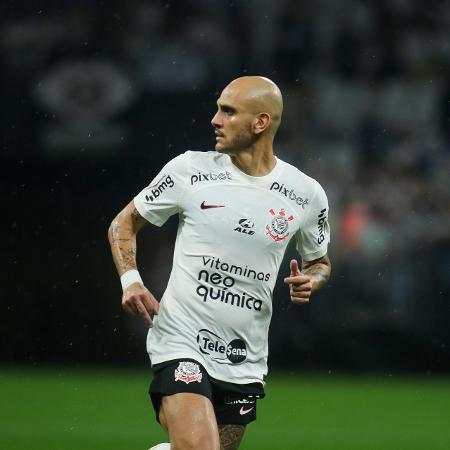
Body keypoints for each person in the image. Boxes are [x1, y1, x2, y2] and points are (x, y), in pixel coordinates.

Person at [108, 76, 331, 450]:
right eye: (217, 109)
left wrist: (313, 280)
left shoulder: (306, 193)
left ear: (261, 122)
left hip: (244, 355)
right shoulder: (189, 170)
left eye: (228, 112)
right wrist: (130, 280)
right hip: (181, 341)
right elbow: (124, 222)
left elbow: (320, 260)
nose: (215, 119)